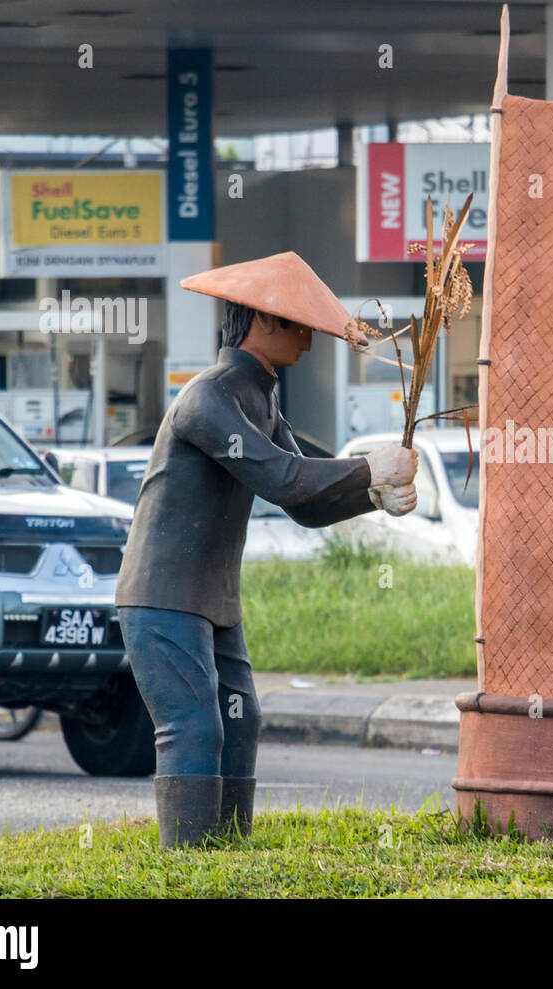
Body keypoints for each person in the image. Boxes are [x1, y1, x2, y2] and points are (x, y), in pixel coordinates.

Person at [115, 251, 419, 848]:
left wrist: (374, 496)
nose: (308, 341)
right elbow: (281, 477)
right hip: (163, 596)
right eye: (299, 325)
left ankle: (227, 855)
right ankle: (192, 867)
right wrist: (368, 467)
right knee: (195, 726)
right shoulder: (208, 398)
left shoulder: (261, 398)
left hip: (212, 599)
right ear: (263, 321)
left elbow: (302, 501)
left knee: (239, 719)